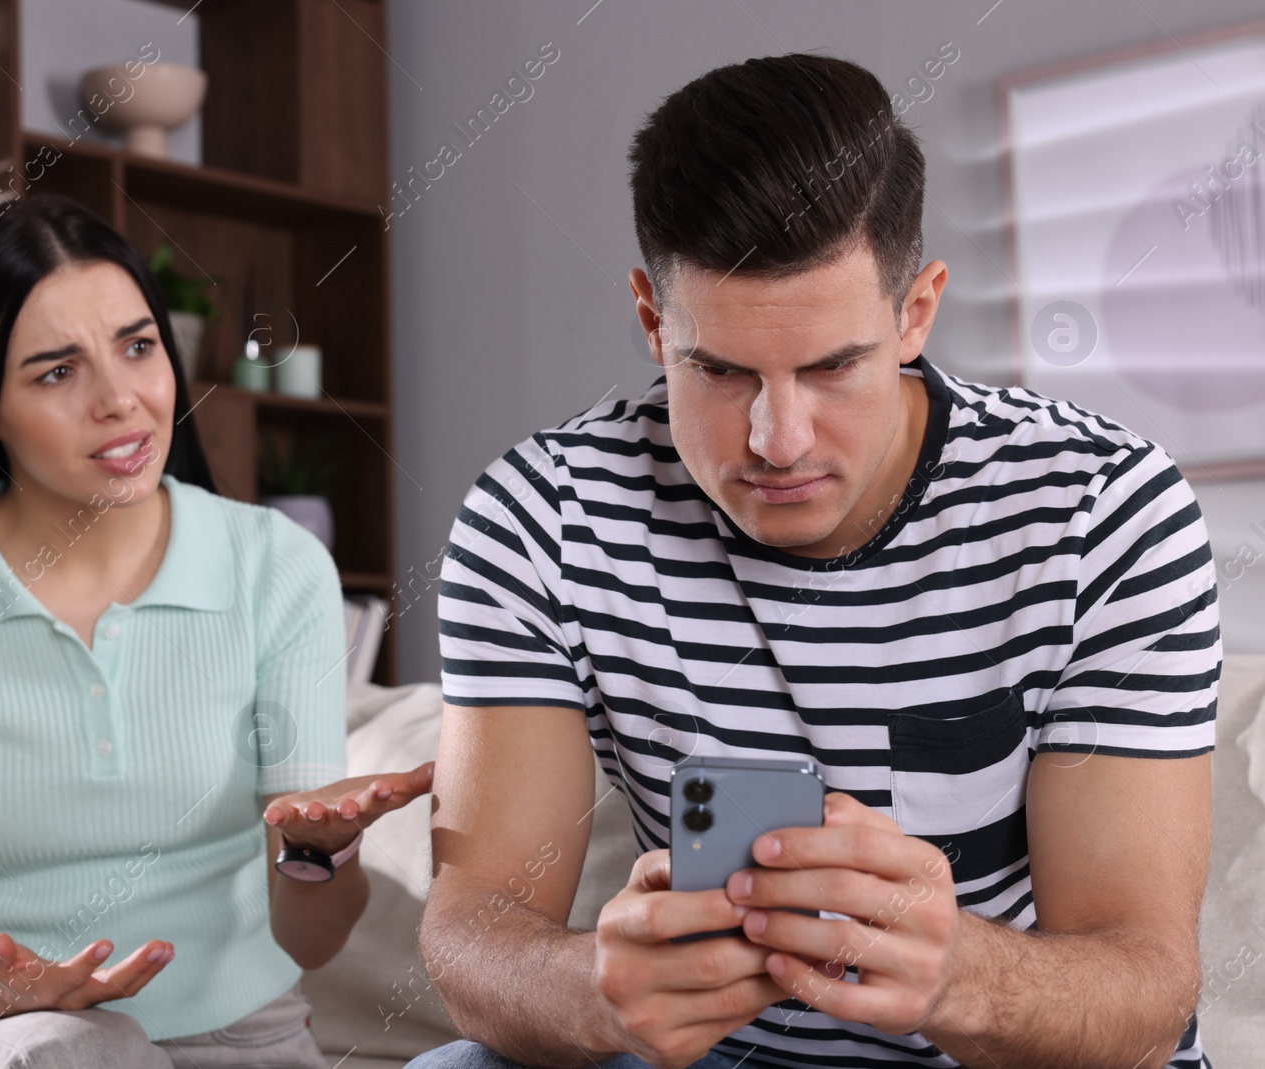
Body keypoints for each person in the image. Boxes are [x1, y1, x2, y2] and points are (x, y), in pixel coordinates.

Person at [410, 53, 1217, 1069]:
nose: (775, 439)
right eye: (716, 370)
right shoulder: (542, 516)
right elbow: (472, 927)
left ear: (914, 313)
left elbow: (1145, 984)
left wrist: (957, 975)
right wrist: (592, 990)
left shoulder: (1102, 506)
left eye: (832, 367)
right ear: (653, 323)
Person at [0, 194, 432, 1069]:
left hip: (239, 1035)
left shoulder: (276, 569)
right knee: (71, 1050)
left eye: (138, 347)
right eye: (57, 372)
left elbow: (313, 943)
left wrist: (315, 854)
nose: (121, 400)